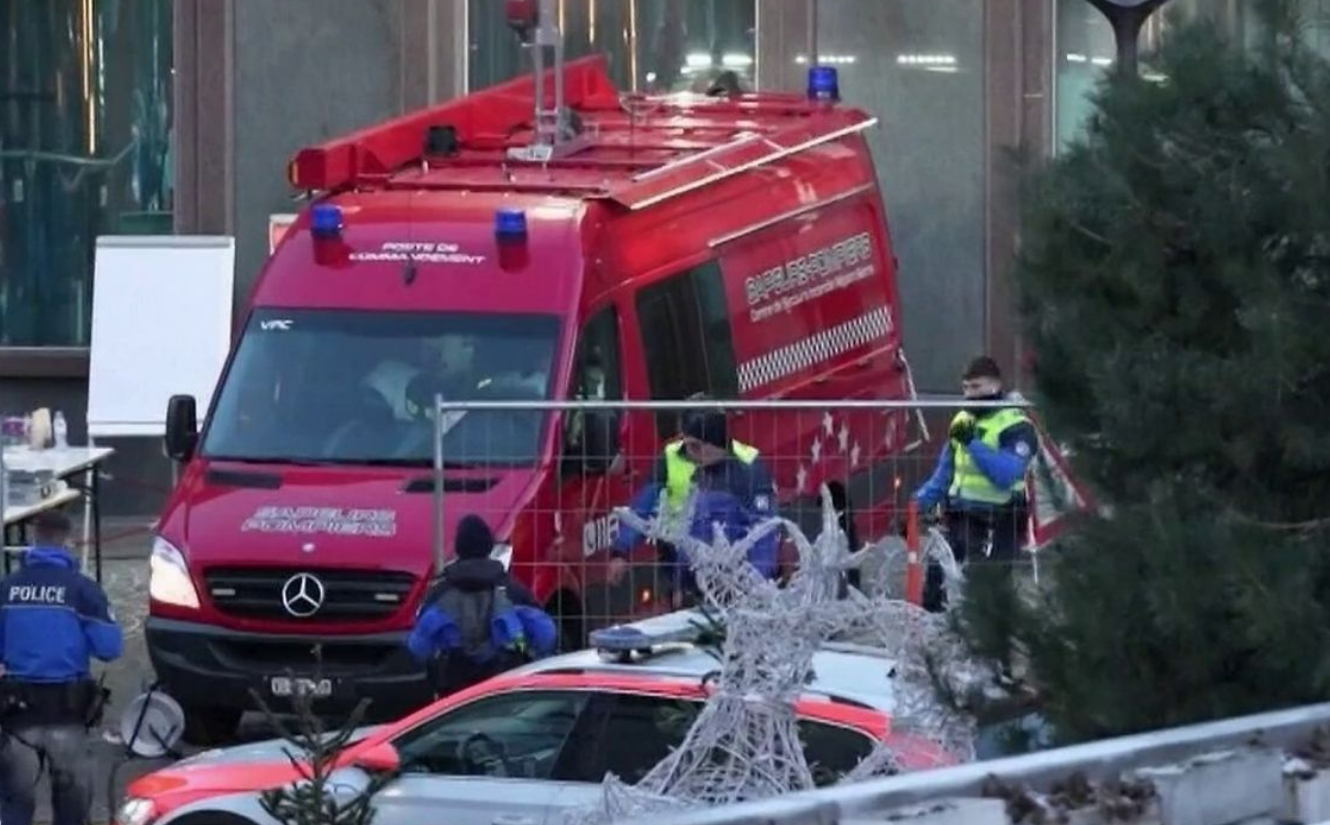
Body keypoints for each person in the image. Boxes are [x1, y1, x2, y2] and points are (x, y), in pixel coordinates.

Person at [0, 510, 123, 825]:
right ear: (66, 540)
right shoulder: (82, 590)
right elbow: (110, 649)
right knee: (72, 807)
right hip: (67, 712)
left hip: (16, 713)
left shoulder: (7, 588)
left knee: (15, 805)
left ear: (33, 540)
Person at [609, 410, 779, 605]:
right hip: (685, 575)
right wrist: (620, 550)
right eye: (687, 444)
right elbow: (642, 508)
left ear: (713, 444)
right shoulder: (679, 460)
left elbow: (764, 530)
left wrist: (755, 583)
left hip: (737, 581)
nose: (690, 454)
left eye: (695, 447)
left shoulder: (748, 468)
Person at [913, 356, 1037, 612]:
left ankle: (991, 648)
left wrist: (972, 442)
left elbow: (1006, 474)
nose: (970, 395)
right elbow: (944, 473)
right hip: (960, 518)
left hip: (999, 521)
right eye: (966, 388)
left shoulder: (1016, 425)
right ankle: (933, 640)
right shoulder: (962, 420)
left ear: (995, 385)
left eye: (977, 387)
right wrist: (915, 505)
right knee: (936, 583)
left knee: (987, 596)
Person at [407, 515, 556, 698]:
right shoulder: (512, 589)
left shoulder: (440, 592)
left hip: (454, 696)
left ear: (459, 548)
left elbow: (418, 648)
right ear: (488, 547)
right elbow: (545, 634)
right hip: (504, 690)